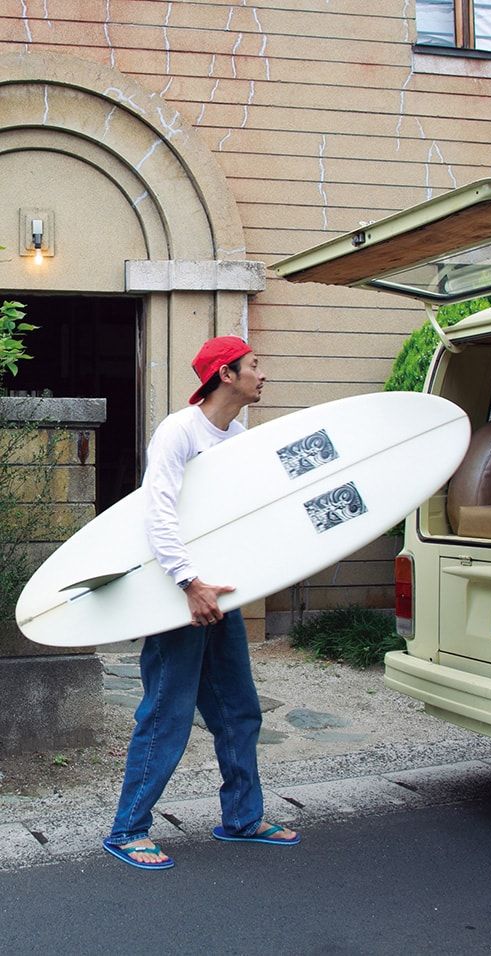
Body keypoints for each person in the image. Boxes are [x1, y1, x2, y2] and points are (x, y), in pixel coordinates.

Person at [102, 335, 300, 870]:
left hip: (219, 596)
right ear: (226, 375)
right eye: (254, 365)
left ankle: (242, 817)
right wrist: (189, 583)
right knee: (166, 714)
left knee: (239, 710)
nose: (262, 374)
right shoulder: (180, 431)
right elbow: (157, 511)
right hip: (180, 596)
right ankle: (128, 829)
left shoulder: (237, 436)